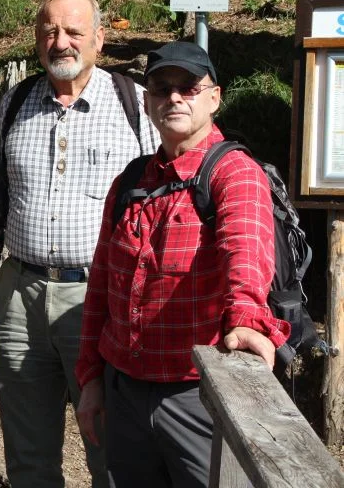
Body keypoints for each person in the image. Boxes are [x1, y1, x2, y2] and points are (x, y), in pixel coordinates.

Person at [74, 41, 290, 487]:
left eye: (188, 87)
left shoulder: (234, 172)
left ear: (214, 97)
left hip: (196, 393)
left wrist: (246, 318)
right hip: (124, 391)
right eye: (161, 87)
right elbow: (101, 288)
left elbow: (245, 250)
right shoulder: (130, 180)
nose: (174, 97)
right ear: (147, 101)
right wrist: (91, 378)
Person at [0, 0, 159, 488]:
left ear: (99, 39)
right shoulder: (15, 101)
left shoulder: (136, 105)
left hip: (100, 298)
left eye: (73, 31)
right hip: (19, 295)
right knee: (27, 454)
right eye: (49, 31)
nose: (60, 42)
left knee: (109, 450)